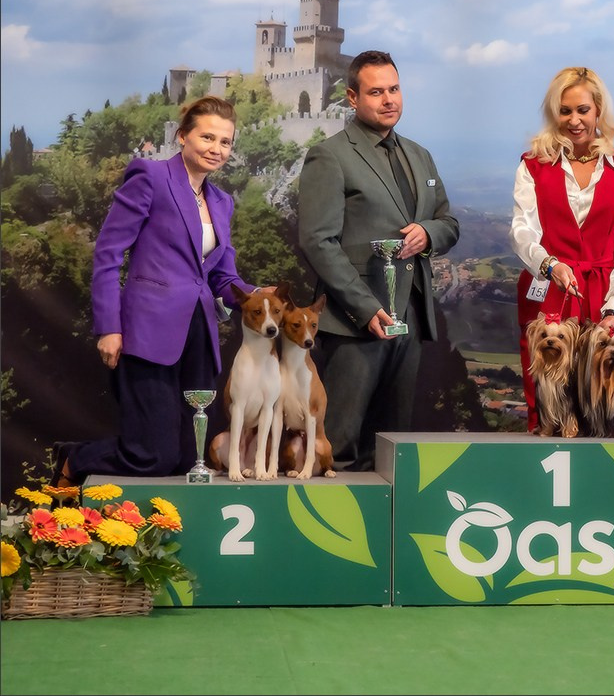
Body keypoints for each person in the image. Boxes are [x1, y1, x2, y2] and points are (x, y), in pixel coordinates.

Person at [54, 95, 263, 486]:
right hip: (147, 332)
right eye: (208, 138)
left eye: (226, 142)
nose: (217, 149)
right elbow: (108, 254)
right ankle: (75, 458)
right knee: (153, 455)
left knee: (186, 458)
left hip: (200, 338)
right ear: (183, 136)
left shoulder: (222, 202)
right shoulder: (149, 177)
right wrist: (109, 327)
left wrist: (259, 295)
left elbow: (222, 276)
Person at [298, 50, 460, 471]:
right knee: (339, 449)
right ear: (353, 98)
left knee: (391, 450)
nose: (389, 100)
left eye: (394, 89)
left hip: (410, 313)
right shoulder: (329, 155)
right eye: (376, 92)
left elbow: (448, 222)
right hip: (354, 322)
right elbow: (317, 241)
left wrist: (428, 233)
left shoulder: (420, 155)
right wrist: (366, 308)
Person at [510, 66, 614, 433]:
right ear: (553, 113)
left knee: (601, 404)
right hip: (548, 297)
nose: (574, 120)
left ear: (598, 111)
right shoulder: (532, 166)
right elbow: (522, 230)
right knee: (546, 405)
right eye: (565, 110)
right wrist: (548, 264)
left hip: (604, 295)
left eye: (583, 110)